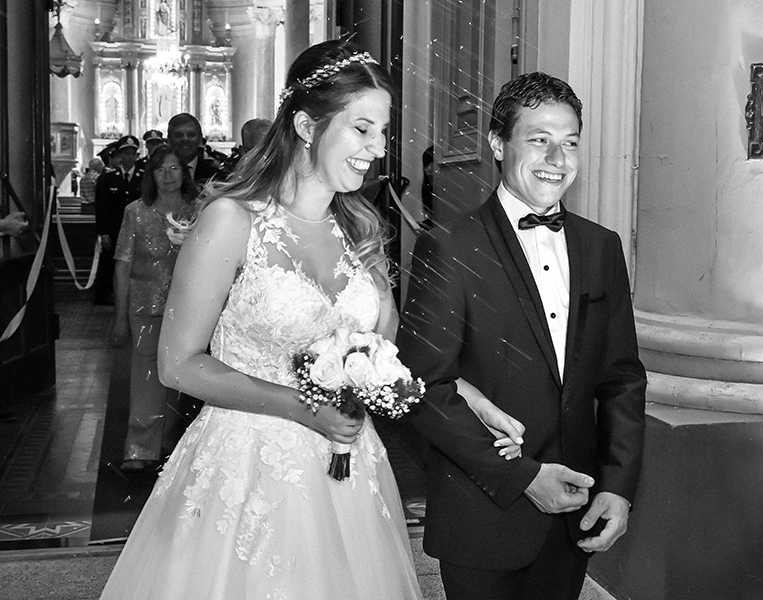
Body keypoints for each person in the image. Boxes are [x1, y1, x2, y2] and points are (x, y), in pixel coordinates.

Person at [98, 40, 518, 599]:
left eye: (384, 132)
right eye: (362, 128)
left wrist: (470, 397)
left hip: (349, 465)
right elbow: (178, 365)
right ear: (304, 124)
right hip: (248, 465)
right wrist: (303, 409)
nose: (378, 148)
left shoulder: (362, 234)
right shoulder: (230, 221)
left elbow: (392, 354)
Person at [397, 71, 647, 600]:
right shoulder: (450, 248)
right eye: (539, 139)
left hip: (573, 516)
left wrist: (617, 486)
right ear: (497, 144)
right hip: (483, 511)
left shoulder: (601, 247)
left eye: (570, 142)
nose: (557, 159)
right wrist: (523, 478)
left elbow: (621, 378)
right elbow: (423, 388)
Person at [111, 144, 200, 472]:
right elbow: (122, 265)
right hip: (144, 306)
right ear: (151, 175)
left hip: (187, 308)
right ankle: (140, 449)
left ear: (184, 173)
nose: (167, 176)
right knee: (147, 377)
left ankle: (172, 446)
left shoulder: (198, 211)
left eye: (174, 168)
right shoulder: (136, 212)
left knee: (181, 378)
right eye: (160, 169)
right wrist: (119, 318)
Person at [94, 135, 144, 305]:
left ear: (137, 155)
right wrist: (104, 233)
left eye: (132, 153)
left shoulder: (144, 178)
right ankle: (106, 294)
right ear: (119, 156)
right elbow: (101, 207)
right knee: (110, 264)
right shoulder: (107, 179)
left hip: (137, 230)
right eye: (125, 153)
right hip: (115, 229)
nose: (129, 157)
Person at [166, 113, 224, 187]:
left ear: (200, 139)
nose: (185, 139)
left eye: (191, 135)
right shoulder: (154, 177)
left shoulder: (217, 179)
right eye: (179, 135)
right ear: (169, 140)